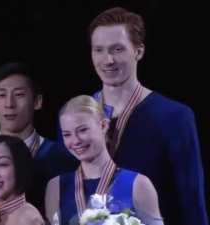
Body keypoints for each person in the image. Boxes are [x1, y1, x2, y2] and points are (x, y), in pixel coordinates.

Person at [84, 7, 207, 225]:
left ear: (138, 51)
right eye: (99, 50)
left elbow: (191, 201)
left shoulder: (174, 117)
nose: (108, 59)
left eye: (118, 49)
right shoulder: (75, 117)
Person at [0, 62, 77, 214]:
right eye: (2, 95)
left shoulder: (62, 158)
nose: (9, 104)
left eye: (19, 95)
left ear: (37, 101)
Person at [46, 95, 163, 225]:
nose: (75, 141)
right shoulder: (56, 187)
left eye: (83, 130)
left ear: (103, 125)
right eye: (67, 134)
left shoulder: (138, 184)